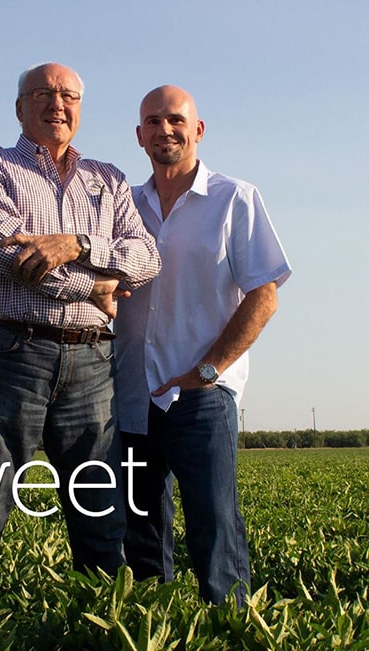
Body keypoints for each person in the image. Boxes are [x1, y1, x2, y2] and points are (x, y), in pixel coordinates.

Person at [0, 62, 161, 619]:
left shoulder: (107, 180)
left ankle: (99, 618)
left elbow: (149, 257)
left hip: (91, 359)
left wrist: (75, 242)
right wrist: (101, 283)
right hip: (8, 351)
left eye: (68, 95)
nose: (56, 104)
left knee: (99, 502)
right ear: (20, 107)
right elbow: (9, 255)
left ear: (80, 108)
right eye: (42, 93)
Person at [114, 85, 292, 606]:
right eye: (153, 121)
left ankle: (231, 630)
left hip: (203, 395)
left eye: (175, 120)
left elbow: (264, 295)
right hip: (133, 393)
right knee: (141, 531)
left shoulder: (235, 198)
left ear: (198, 130)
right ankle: (153, 630)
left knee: (214, 529)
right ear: (139, 134)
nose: (164, 130)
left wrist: (208, 371)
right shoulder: (125, 204)